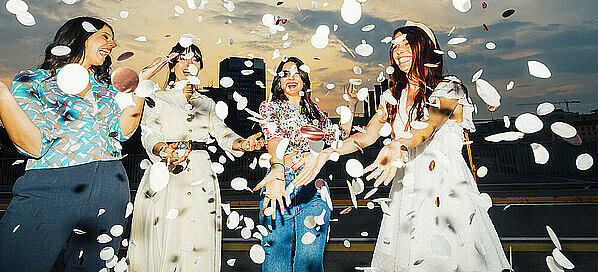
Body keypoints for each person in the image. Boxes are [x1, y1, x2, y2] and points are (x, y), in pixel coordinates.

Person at [291, 22, 512, 272]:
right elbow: (365, 136)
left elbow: (426, 128)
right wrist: (327, 153)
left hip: (445, 190)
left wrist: (398, 144)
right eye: (395, 46)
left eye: (407, 44)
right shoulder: (392, 96)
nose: (399, 50)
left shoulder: (450, 88)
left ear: (426, 48)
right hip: (405, 191)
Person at [0, 16, 169, 271]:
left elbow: (123, 132)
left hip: (111, 187)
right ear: (80, 36)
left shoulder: (107, 88)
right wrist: (2, 95)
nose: (113, 44)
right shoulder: (33, 81)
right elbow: (33, 146)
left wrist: (138, 89)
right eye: (105, 36)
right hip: (50, 186)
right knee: (17, 263)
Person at [127, 42, 264, 272]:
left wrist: (244, 143)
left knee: (197, 238)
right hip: (165, 173)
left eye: (194, 60)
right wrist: (164, 150)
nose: (188, 64)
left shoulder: (207, 103)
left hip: (200, 173)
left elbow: (223, 133)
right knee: (166, 239)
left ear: (200, 67)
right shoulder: (157, 97)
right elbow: (149, 133)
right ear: (172, 66)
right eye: (182, 59)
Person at [253, 56, 358, 272]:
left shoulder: (315, 114)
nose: (291, 77)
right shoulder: (269, 107)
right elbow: (273, 140)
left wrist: (351, 105)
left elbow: (339, 136)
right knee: (275, 256)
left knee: (310, 259)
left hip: (315, 187)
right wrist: (278, 168)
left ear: (304, 80)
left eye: (296, 73)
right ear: (279, 82)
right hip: (281, 182)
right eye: (285, 74)